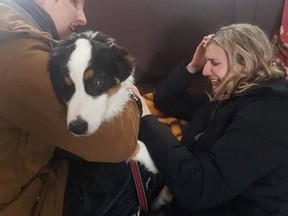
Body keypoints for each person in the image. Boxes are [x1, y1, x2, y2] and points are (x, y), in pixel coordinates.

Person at [0, 0, 140, 215]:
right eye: (74, 2)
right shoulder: (18, 53)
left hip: (31, 180)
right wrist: (134, 100)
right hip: (23, 201)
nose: (82, 18)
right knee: (121, 171)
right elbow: (120, 143)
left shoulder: (15, 34)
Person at [138, 23, 288, 216]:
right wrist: (193, 65)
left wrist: (146, 120)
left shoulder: (273, 109)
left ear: (245, 62)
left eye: (214, 63)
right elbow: (164, 101)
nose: (205, 72)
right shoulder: (228, 97)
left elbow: (200, 189)